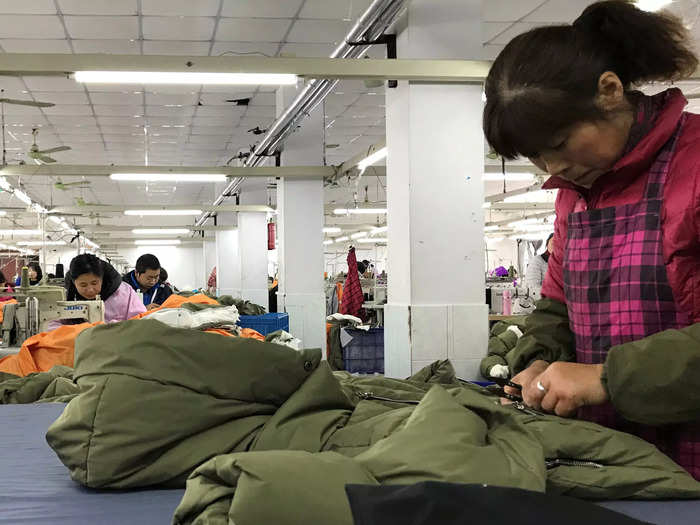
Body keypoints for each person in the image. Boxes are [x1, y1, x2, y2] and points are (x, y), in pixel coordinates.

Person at [483, 1, 700, 479]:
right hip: (613, 454)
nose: (553, 168)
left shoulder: (695, 166)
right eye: (536, 157)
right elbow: (561, 303)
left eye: (559, 144)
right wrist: (538, 358)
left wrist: (606, 377)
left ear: (609, 90)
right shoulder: (575, 195)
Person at [58, 254, 146, 325]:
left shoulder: (124, 292)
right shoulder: (66, 296)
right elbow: (53, 324)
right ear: (74, 283)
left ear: (102, 279)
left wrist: (114, 327)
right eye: (83, 285)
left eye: (94, 283)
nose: (90, 290)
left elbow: (141, 320)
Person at [524, 233, 554, 301]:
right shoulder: (537, 261)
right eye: (553, 242)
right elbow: (532, 287)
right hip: (542, 303)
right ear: (547, 243)